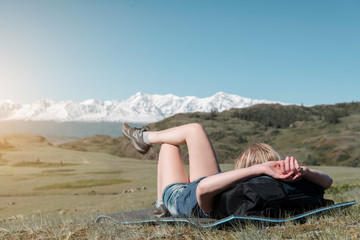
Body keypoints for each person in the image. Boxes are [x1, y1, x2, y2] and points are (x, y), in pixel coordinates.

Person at [121, 123, 333, 218]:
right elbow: (327, 182)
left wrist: (259, 168)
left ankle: (161, 202)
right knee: (191, 131)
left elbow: (203, 188)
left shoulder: (235, 195)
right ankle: (143, 138)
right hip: (212, 181)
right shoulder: (277, 186)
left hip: (180, 197)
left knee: (171, 144)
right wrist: (302, 171)